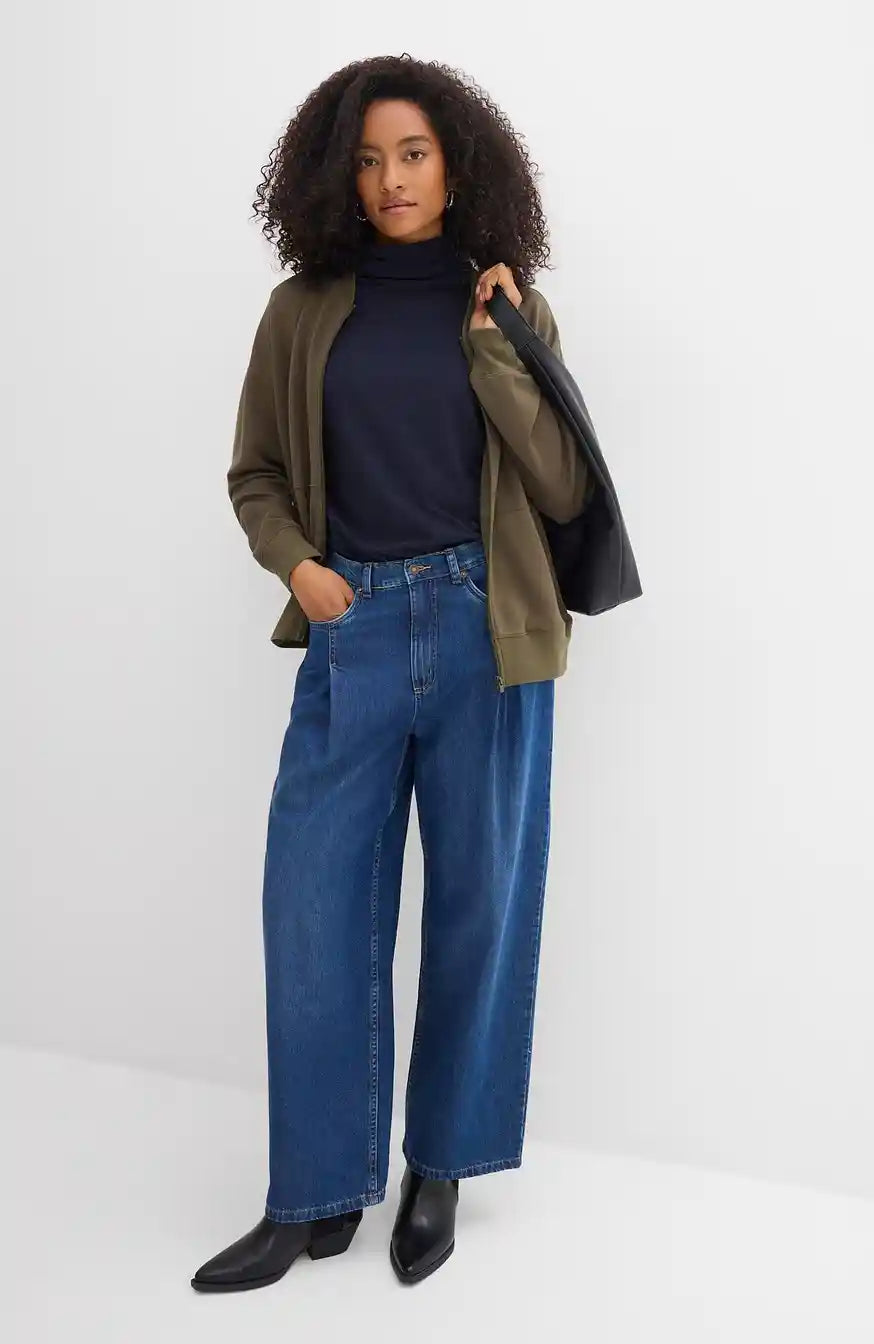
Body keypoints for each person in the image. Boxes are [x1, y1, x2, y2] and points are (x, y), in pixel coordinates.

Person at [191, 53, 593, 1293]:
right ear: (337, 176)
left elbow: (563, 486)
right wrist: (300, 569)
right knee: (314, 907)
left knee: (479, 904)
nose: (391, 180)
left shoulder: (509, 309)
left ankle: (442, 1171)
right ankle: (314, 1195)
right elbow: (256, 472)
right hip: (352, 625)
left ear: (457, 165)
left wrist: (498, 351)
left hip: (486, 630)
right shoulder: (303, 309)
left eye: (412, 154)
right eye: (367, 160)